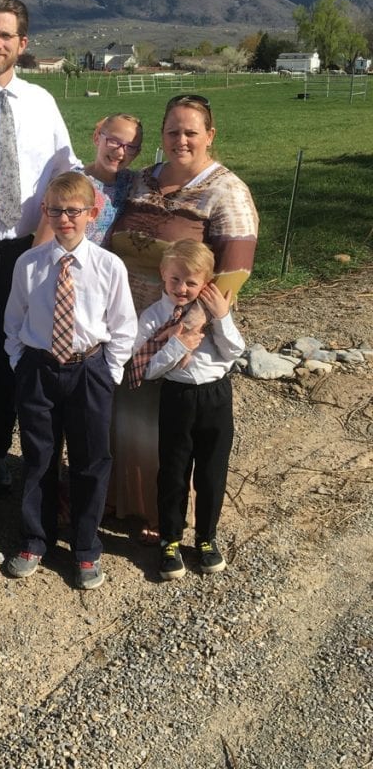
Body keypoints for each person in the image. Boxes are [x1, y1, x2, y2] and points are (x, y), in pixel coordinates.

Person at [105, 94, 258, 544]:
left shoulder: (226, 190)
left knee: (165, 433)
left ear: (210, 135)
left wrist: (184, 329)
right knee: (124, 418)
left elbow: (234, 271)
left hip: (175, 332)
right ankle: (121, 499)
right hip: (126, 323)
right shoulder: (140, 181)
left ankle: (160, 509)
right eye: (173, 131)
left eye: (192, 131)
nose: (181, 140)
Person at [0, 0, 78, 498]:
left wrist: (49, 244)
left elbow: (64, 173)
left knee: (14, 358)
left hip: (25, 252)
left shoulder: (41, 103)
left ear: (23, 43)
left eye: (6, 34)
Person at [3, 172, 137, 590]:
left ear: (92, 214)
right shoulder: (29, 264)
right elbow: (14, 319)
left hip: (88, 370)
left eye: (74, 211)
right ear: (45, 212)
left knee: (91, 460)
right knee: (39, 456)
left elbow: (122, 325)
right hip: (39, 370)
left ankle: (84, 546)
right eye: (56, 210)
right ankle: (35, 538)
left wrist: (108, 372)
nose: (64, 219)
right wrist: (19, 361)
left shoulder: (108, 266)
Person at [129, 239, 245, 580]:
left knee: (212, 472)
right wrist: (177, 344)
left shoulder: (212, 309)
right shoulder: (153, 317)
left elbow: (234, 351)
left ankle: (206, 538)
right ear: (163, 274)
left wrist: (221, 318)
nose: (182, 288)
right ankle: (170, 539)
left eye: (191, 282)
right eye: (175, 279)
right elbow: (145, 368)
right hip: (177, 398)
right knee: (173, 471)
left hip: (215, 397)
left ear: (205, 282)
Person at [81, 113, 143, 244]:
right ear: (97, 138)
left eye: (130, 147)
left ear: (137, 153)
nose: (120, 152)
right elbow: (46, 242)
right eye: (114, 141)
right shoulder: (74, 184)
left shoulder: (133, 182)